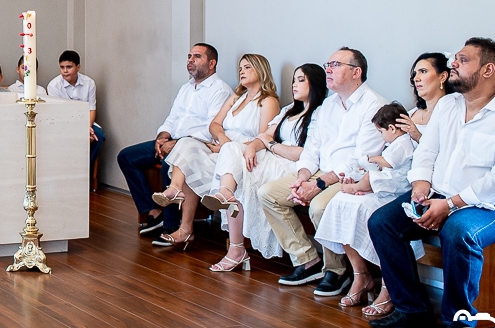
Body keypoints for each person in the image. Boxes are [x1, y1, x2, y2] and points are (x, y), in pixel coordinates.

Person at [368, 38, 495, 328]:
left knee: (458, 231)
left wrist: (450, 204)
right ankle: (411, 307)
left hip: (494, 208)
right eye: (454, 58)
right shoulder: (448, 105)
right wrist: (419, 188)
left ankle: (459, 326)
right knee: (382, 222)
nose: (453, 63)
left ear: (488, 70)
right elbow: (426, 152)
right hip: (439, 194)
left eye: (462, 59)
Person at [261, 47, 386, 297]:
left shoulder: (374, 105)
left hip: (351, 177)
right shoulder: (327, 105)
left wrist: (318, 185)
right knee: (268, 193)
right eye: (328, 64)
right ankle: (307, 260)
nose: (328, 69)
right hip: (318, 171)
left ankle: (337, 270)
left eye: (336, 65)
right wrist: (302, 178)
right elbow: (312, 147)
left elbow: (359, 160)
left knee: (319, 206)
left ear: (356, 72)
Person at [202, 64, 327, 271]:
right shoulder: (289, 109)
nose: (295, 84)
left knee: (241, 174)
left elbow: (305, 154)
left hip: (294, 167)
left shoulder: (319, 114)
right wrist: (253, 147)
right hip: (273, 157)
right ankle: (226, 194)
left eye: (301, 80)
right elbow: (265, 135)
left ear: (315, 83)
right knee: (233, 153)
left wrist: (270, 146)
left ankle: (236, 248)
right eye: (293, 80)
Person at [151, 54, 280, 250]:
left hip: (246, 153)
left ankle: (186, 228)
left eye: (247, 68)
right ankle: (175, 191)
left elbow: (262, 138)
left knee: (191, 159)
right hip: (223, 147)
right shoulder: (237, 97)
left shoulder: (267, 101)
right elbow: (214, 124)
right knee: (186, 145)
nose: (241, 72)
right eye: (240, 69)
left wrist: (228, 147)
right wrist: (224, 141)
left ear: (260, 70)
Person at [362, 52, 453, 317]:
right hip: (410, 185)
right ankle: (404, 302)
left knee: (380, 215)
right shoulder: (411, 113)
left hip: (441, 187)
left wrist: (414, 133)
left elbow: (445, 154)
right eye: (415, 73)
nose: (417, 78)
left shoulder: (452, 110)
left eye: (423, 71)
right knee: (378, 219)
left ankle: (391, 294)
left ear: (444, 76)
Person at [116, 44, 233, 236]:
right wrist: (162, 138)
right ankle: (153, 212)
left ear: (212, 63)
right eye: (189, 56)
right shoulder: (186, 88)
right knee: (127, 157)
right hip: (173, 141)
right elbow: (171, 119)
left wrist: (177, 144)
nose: (190, 60)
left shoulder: (219, 90)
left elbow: (210, 130)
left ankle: (171, 226)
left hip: (196, 146)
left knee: (168, 165)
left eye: (197, 56)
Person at [314, 103, 417, 306]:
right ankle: (360, 275)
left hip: (397, 187)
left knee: (369, 187)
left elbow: (389, 163)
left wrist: (370, 159)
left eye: (381, 132)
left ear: (393, 128)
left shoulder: (404, 142)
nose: (380, 137)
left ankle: (388, 285)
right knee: (340, 202)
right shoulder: (394, 140)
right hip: (385, 182)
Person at [47, 51, 104, 190]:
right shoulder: (54, 85)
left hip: (85, 123)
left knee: (98, 137)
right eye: (62, 67)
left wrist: (87, 128)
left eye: (69, 67)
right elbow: (58, 113)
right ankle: (68, 176)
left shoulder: (89, 83)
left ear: (78, 67)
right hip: (63, 124)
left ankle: (85, 174)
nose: (65, 71)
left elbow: (91, 108)